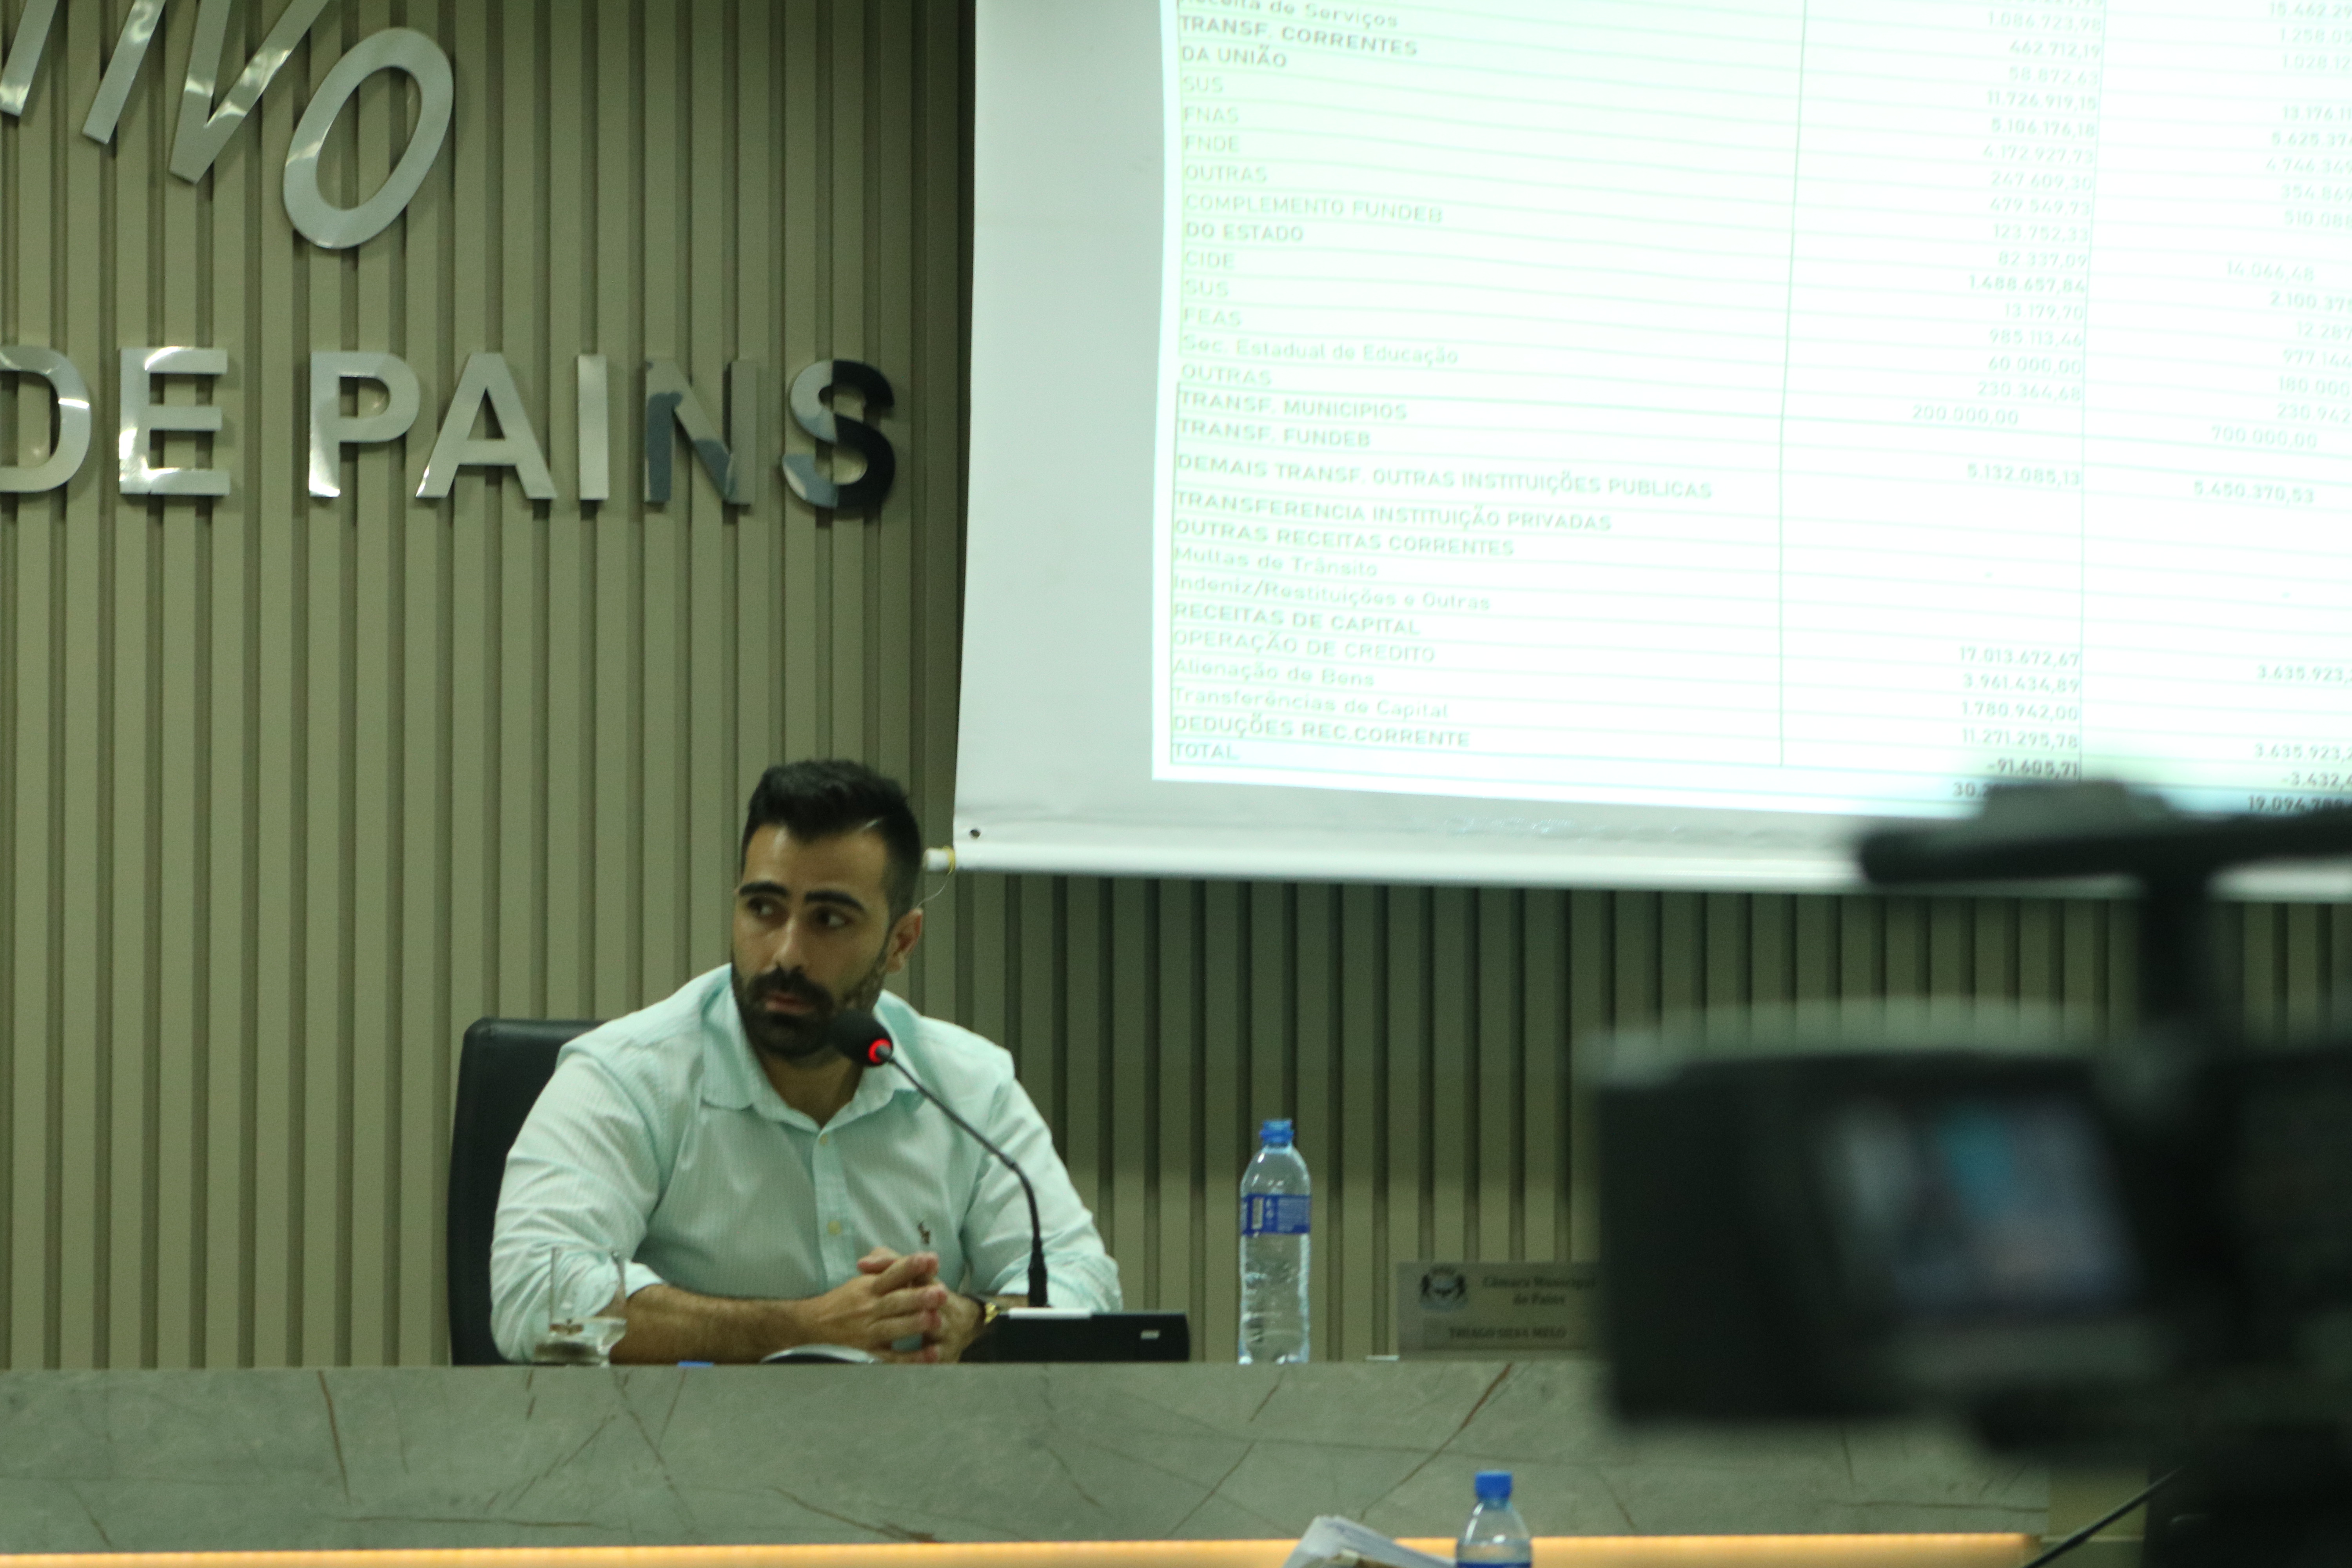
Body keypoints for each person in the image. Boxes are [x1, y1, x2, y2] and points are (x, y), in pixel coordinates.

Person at [490, 759, 1121, 1363]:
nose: (786, 953)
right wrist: (803, 1329)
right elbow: (535, 1294)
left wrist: (974, 1323)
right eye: (763, 909)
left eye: (829, 920)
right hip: (679, 1435)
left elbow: (1084, 1282)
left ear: (901, 942)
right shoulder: (627, 1075)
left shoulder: (966, 1086)